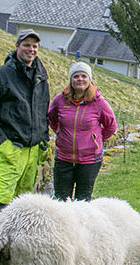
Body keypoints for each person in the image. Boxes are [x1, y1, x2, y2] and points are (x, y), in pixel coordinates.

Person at [0, 28, 50, 235]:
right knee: (3, 197)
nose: (31, 49)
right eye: (26, 45)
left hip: (33, 148)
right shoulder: (2, 75)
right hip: (12, 146)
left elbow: (42, 108)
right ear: (17, 46)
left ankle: (15, 240)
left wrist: (44, 139)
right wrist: (2, 141)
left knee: (24, 200)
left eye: (34, 46)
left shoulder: (40, 75)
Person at [47, 61, 117, 201]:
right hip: (64, 159)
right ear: (71, 80)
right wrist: (60, 133)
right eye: (76, 76)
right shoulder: (60, 100)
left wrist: (95, 139)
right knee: (61, 200)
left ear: (89, 79)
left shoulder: (99, 102)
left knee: (83, 201)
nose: (80, 79)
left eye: (84, 76)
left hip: (89, 161)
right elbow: (51, 118)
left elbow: (111, 125)